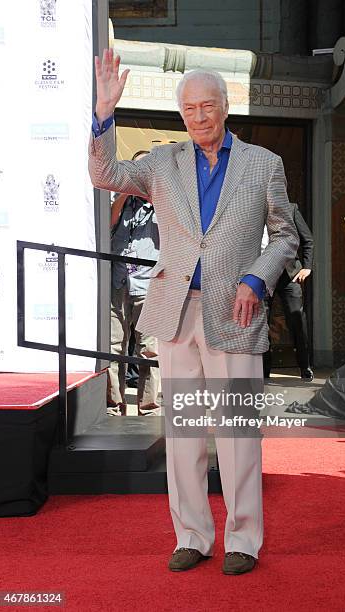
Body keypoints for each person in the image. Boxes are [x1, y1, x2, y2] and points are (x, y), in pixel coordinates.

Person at [89, 49, 298, 575]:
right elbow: (105, 173)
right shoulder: (163, 163)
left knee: (238, 433)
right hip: (176, 312)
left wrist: (256, 276)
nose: (199, 117)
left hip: (237, 313)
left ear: (225, 107)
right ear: (180, 115)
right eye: (189, 110)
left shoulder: (263, 164)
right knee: (183, 433)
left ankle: (243, 541)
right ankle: (192, 535)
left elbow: (285, 236)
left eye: (208, 106)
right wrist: (104, 113)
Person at [107, 150, 160, 416]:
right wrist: (125, 192)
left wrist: (153, 193)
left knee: (149, 349)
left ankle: (148, 407)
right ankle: (114, 404)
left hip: (148, 284)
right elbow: (109, 223)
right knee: (113, 346)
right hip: (118, 282)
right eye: (135, 171)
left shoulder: (163, 200)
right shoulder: (121, 201)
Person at [262, 203, 314, 381]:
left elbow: (307, 239)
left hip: (288, 273)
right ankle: (264, 370)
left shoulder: (290, 209)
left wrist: (307, 267)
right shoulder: (252, 207)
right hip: (261, 273)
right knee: (262, 323)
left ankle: (304, 366)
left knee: (296, 319)